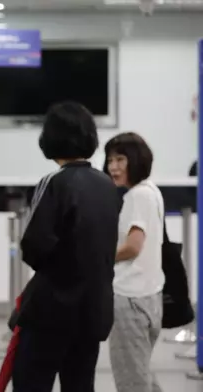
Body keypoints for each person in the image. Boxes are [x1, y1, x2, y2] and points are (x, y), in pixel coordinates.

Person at [10, 101, 120, 392]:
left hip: (52, 313)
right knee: (80, 384)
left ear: (50, 138)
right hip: (93, 311)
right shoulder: (107, 185)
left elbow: (34, 247)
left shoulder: (54, 182)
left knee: (31, 382)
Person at [103, 132, 164, 392]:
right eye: (110, 160)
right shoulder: (152, 191)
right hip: (150, 298)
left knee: (132, 382)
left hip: (129, 300)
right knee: (142, 374)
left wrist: (99, 256)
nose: (113, 167)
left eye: (120, 159)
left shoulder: (136, 197)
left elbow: (132, 247)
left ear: (135, 160)